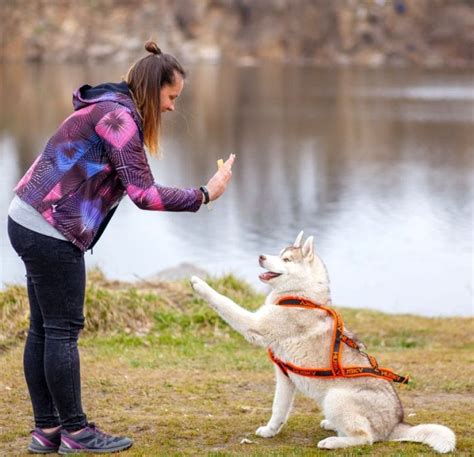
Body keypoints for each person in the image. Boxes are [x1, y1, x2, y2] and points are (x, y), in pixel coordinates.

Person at [7, 40, 235, 454]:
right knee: (62, 331)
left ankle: (47, 431)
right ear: (152, 90)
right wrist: (204, 194)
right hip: (50, 228)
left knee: (44, 329)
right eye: (170, 97)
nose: (170, 108)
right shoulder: (119, 119)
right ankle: (76, 432)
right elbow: (143, 194)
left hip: (25, 217)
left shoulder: (109, 105)